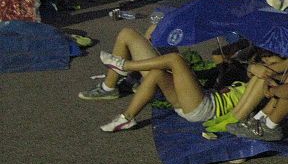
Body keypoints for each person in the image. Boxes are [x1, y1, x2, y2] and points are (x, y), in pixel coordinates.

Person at [93, 44, 263, 132]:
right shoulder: (250, 76)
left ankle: (125, 66)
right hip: (201, 101)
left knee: (175, 59)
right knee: (157, 74)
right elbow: (218, 54)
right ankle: (126, 118)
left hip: (206, 108)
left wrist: (254, 67)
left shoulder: (264, 82)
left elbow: (256, 94)